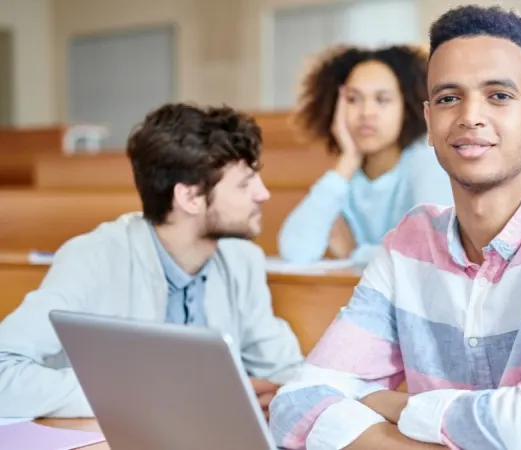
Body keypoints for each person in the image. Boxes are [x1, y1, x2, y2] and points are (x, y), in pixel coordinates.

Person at [269, 5, 521, 450]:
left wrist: (400, 406)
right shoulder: (409, 242)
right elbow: (296, 403)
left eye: (499, 96)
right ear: (430, 121)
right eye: (450, 98)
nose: (470, 116)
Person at [0, 104, 304, 419]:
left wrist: (284, 391)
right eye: (244, 183)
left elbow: (286, 369)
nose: (264, 194)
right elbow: (3, 373)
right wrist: (145, 397)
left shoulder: (242, 260)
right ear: (190, 198)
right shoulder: (93, 258)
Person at [278, 44, 453, 265]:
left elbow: (429, 252)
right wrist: (347, 162)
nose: (366, 113)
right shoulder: (344, 179)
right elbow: (295, 252)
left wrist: (356, 253)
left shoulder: (426, 161)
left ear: (407, 107)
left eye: (382, 100)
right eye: (353, 99)